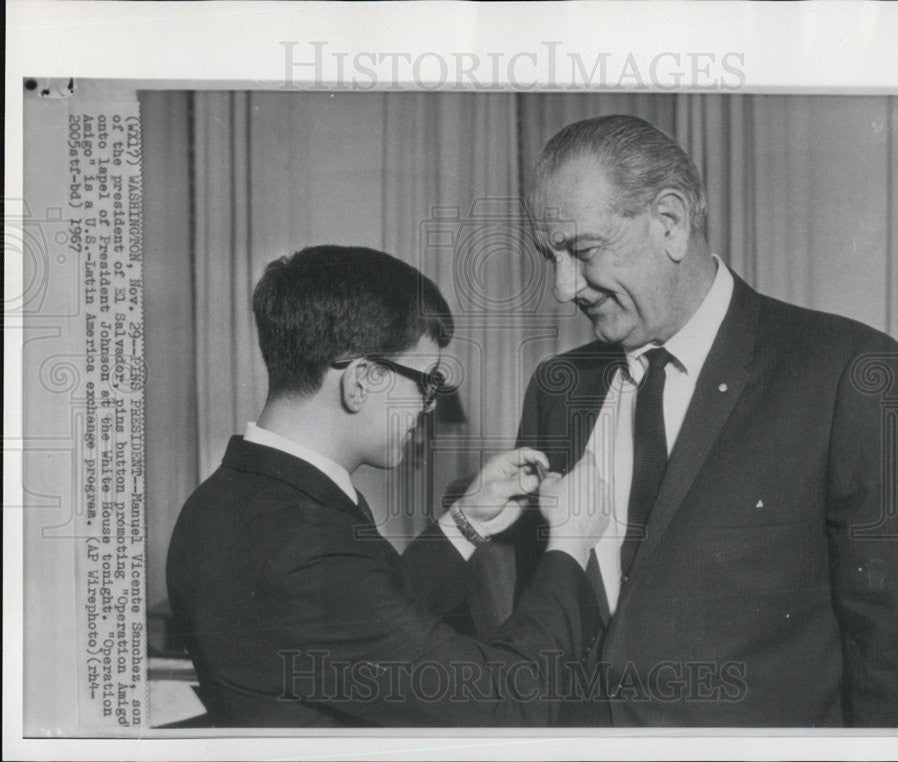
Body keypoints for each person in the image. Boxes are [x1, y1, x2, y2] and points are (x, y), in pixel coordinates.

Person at [460, 115, 898, 726]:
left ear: (670, 221)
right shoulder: (558, 389)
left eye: (582, 252)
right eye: (549, 257)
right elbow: (548, 617)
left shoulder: (847, 369)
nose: (563, 288)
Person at [166, 245, 610, 727]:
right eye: (426, 381)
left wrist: (464, 522)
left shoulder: (223, 502)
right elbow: (507, 702)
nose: (428, 404)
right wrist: (569, 543)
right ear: (362, 380)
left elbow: (362, 625)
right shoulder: (306, 546)